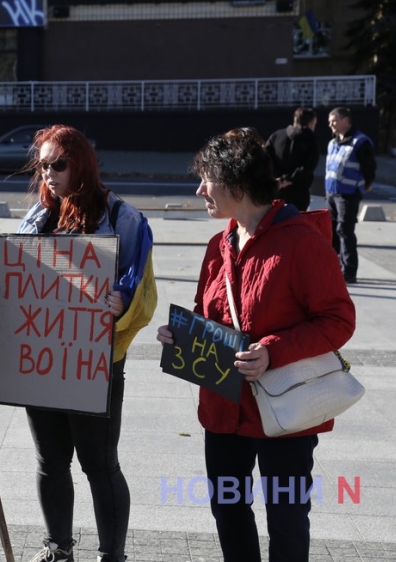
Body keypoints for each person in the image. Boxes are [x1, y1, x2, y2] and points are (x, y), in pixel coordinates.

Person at [156, 128, 356, 562]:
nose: (198, 189)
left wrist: (272, 350)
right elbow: (208, 313)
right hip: (223, 410)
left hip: (285, 413)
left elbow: (339, 320)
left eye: (206, 178)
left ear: (236, 182)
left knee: (286, 519)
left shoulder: (301, 241)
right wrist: (181, 337)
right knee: (228, 511)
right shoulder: (219, 244)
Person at [17, 125, 157, 562]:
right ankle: (58, 549)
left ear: (82, 163)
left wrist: (122, 300)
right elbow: (11, 277)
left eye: (58, 164)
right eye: (43, 166)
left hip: (94, 361)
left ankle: (112, 556)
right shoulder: (38, 217)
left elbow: (142, 291)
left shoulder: (123, 219)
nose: (50, 174)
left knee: (99, 464)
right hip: (41, 359)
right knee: (50, 462)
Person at [325, 106, 377, 284]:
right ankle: (333, 268)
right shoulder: (333, 142)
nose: (330, 124)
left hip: (348, 194)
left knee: (345, 231)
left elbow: (369, 167)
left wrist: (367, 184)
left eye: (334, 120)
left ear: (346, 120)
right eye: (329, 121)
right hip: (332, 193)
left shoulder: (360, 142)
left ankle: (349, 271)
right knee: (332, 232)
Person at [264, 107, 320, 211]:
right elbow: (309, 166)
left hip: (276, 189)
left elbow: (265, 159)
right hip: (300, 191)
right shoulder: (310, 140)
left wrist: (279, 179)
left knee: (274, 222)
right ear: (311, 123)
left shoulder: (276, 135)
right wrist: (289, 178)